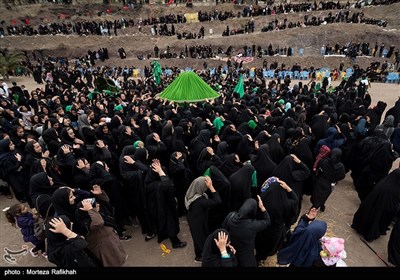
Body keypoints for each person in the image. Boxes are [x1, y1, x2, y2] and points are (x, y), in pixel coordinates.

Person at [223, 196, 271, 267]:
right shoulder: (252, 225)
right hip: (245, 254)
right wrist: (262, 207)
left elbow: (224, 228)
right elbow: (267, 222)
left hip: (231, 249)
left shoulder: (231, 216)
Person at [185, 176, 221, 262]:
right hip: (198, 223)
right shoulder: (201, 201)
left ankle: (198, 255)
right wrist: (211, 187)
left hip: (193, 219)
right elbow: (218, 201)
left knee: (196, 239)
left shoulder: (191, 192)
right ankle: (203, 257)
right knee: (202, 240)